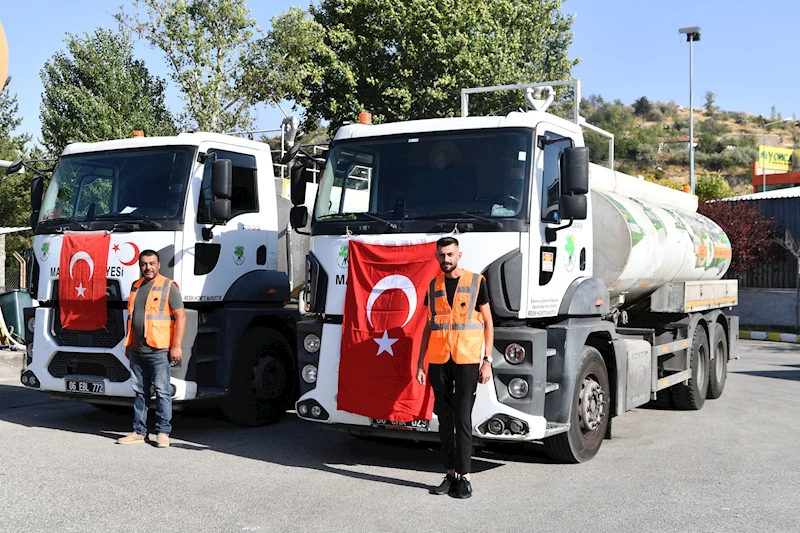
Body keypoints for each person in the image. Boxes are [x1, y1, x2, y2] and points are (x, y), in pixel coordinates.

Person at [416, 237, 493, 499]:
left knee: (462, 417)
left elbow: (488, 323)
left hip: (468, 360)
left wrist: (487, 360)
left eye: (449, 254)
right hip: (439, 360)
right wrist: (420, 363)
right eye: (441, 255)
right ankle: (450, 474)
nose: (445, 259)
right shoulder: (433, 285)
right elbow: (429, 326)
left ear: (459, 255)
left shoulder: (476, 282)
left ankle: (466, 477)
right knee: (445, 419)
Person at [117, 250, 186, 448]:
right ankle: (139, 432)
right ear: (140, 266)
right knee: (140, 391)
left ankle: (163, 432)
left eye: (152, 263)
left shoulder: (168, 286)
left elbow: (181, 316)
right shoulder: (136, 287)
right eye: (144, 264)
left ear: (159, 265)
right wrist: (129, 345)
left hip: (159, 349)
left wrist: (176, 345)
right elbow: (132, 317)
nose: (148, 267)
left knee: (162, 391)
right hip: (137, 349)